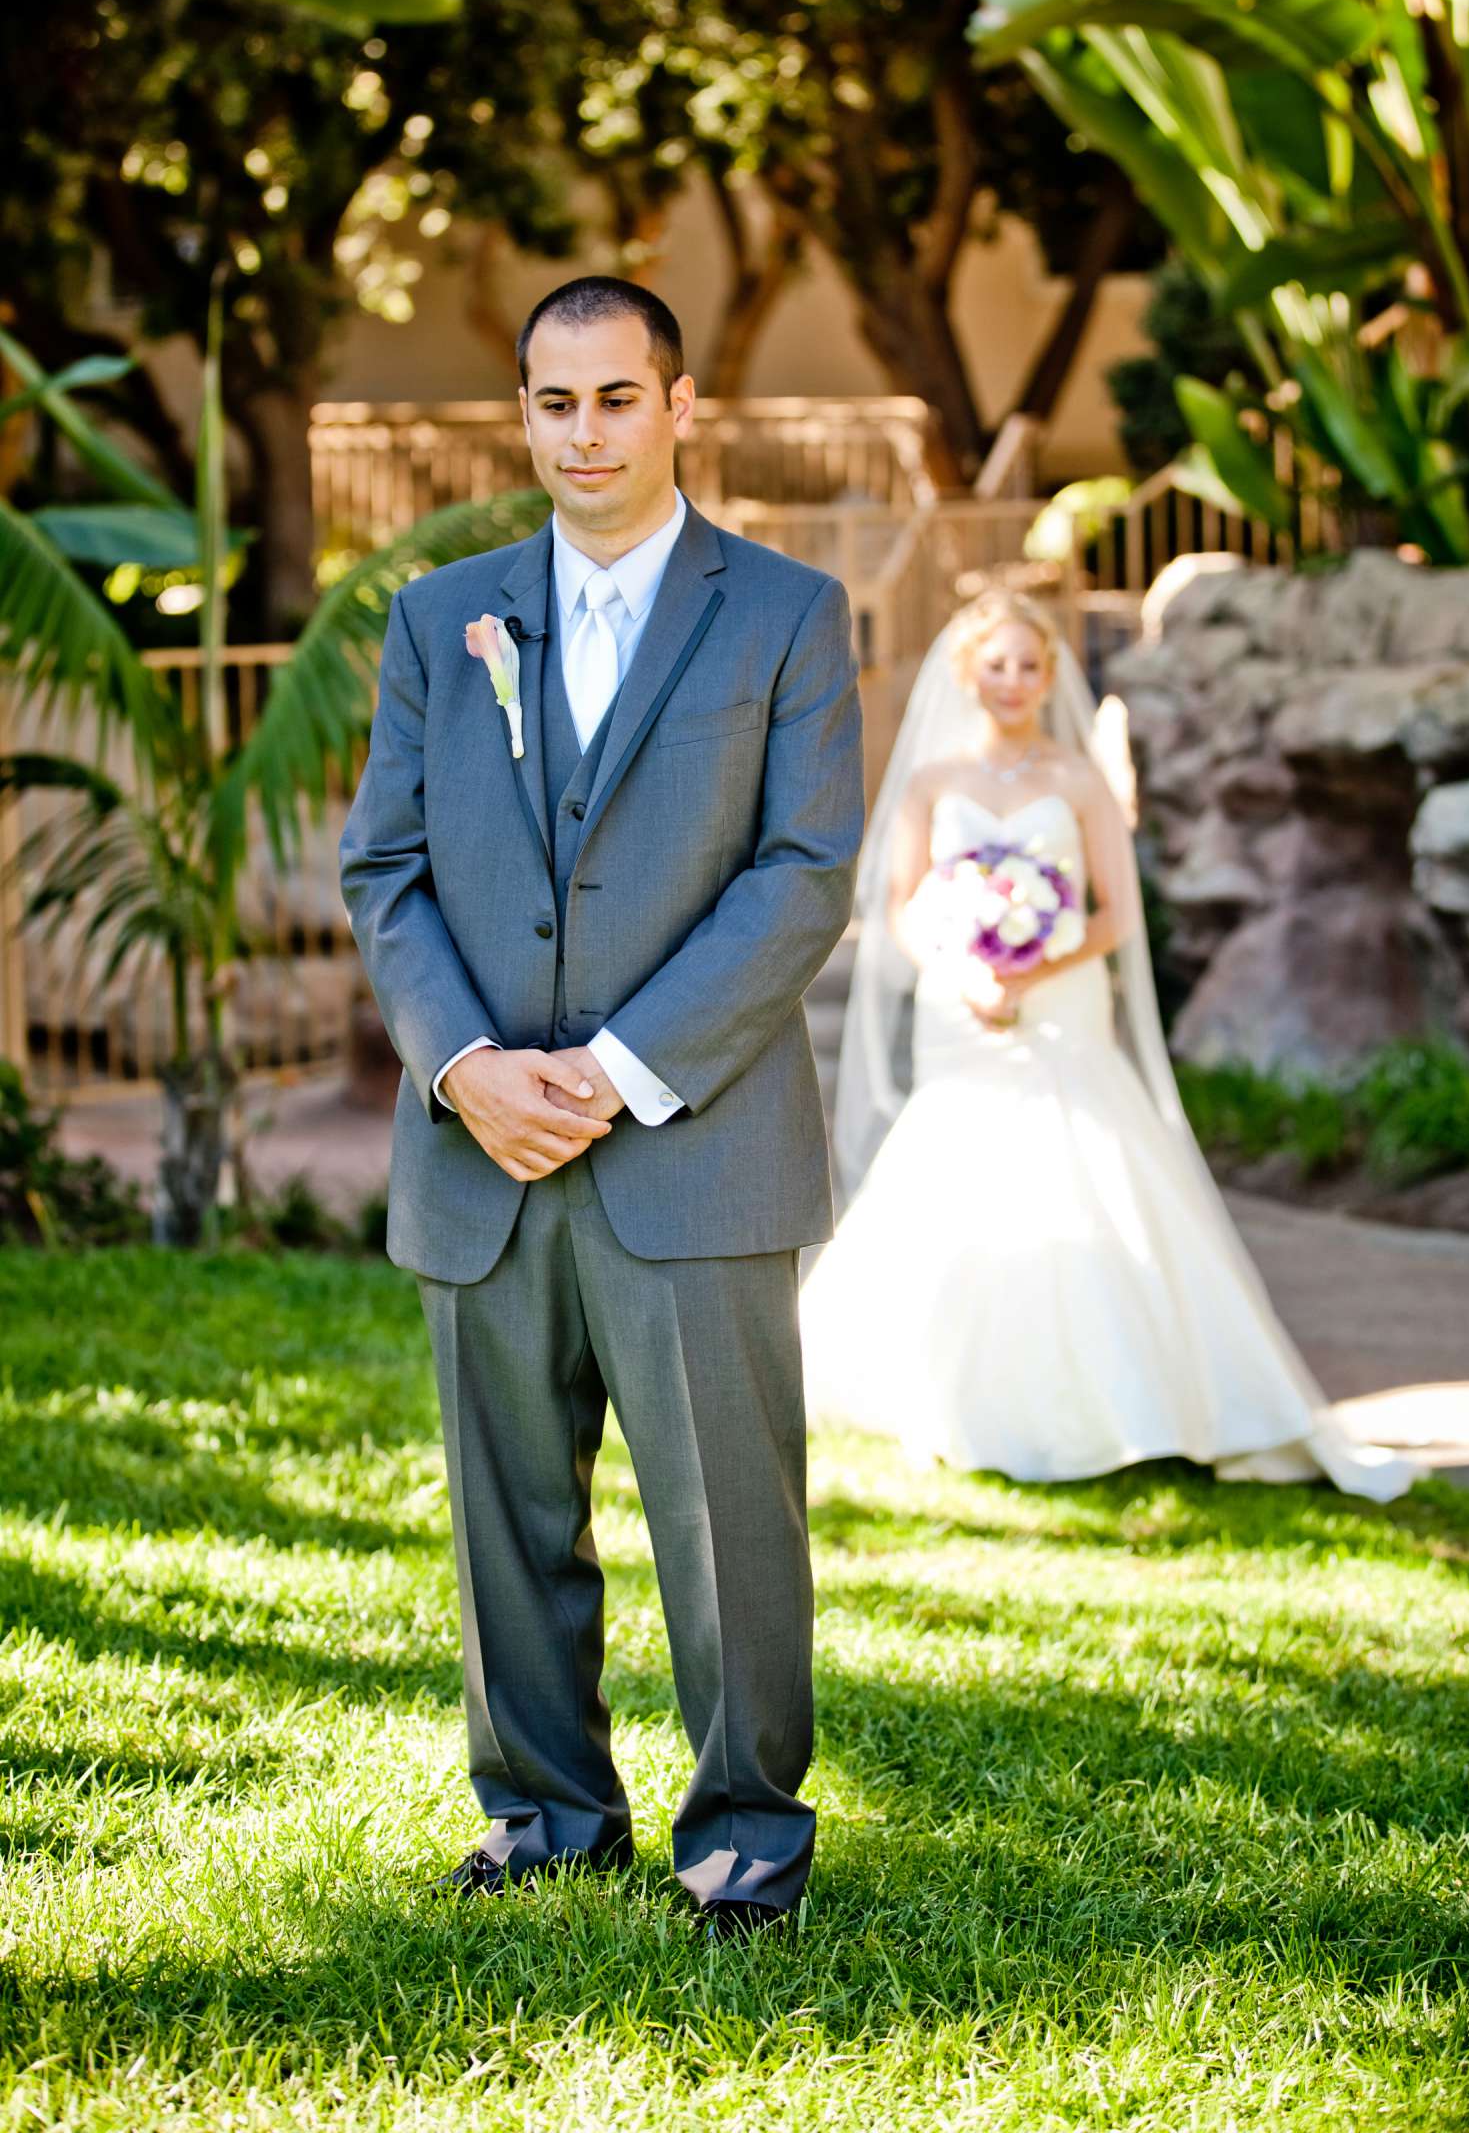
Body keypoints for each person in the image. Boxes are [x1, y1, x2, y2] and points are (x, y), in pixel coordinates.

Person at [340, 276, 864, 1942]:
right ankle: (546, 1811)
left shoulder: (787, 613)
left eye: (617, 399)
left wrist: (622, 1071)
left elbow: (803, 877)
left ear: (682, 405)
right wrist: (465, 1067)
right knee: (508, 1515)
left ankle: (747, 1834)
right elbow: (387, 869)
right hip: (478, 1143)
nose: (585, 433)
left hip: (692, 1142)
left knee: (725, 1516)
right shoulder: (447, 620)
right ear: (525, 415)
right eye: (554, 403)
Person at [801, 588, 1414, 1501]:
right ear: (970, 673)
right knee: (961, 1172)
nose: (1013, 681)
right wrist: (969, 971)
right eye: (997, 664)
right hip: (959, 1007)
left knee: (1083, 1166)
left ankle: (1132, 1399)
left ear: (1052, 676)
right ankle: (946, 1391)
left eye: (1030, 665)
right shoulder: (931, 783)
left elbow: (1115, 916)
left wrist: (1032, 968)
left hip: (1062, 1004)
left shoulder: (1080, 780)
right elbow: (897, 908)